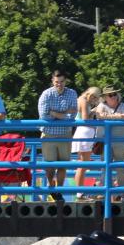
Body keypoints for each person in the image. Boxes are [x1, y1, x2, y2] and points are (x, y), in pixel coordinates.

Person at [37, 70, 79, 200]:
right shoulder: (46, 94)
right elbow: (44, 115)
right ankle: (51, 187)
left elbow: (73, 114)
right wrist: (63, 114)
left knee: (63, 165)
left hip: (65, 134)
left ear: (65, 81)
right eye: (56, 82)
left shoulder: (71, 93)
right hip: (48, 134)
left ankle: (58, 190)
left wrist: (54, 113)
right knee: (49, 167)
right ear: (52, 81)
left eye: (61, 82)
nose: (59, 84)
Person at [95, 87, 124, 200]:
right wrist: (118, 117)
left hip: (121, 141)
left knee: (121, 168)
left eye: (114, 94)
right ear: (104, 97)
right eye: (110, 95)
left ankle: (123, 194)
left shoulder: (123, 105)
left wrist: (108, 117)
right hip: (106, 141)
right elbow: (99, 116)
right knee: (105, 167)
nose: (113, 96)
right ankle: (105, 193)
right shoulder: (101, 106)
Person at [70, 86, 102, 196]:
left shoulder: (81, 99)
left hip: (83, 132)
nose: (93, 99)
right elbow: (85, 119)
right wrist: (93, 111)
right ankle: (79, 192)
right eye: (93, 97)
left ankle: (80, 192)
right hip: (84, 132)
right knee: (83, 165)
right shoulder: (83, 101)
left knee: (82, 164)